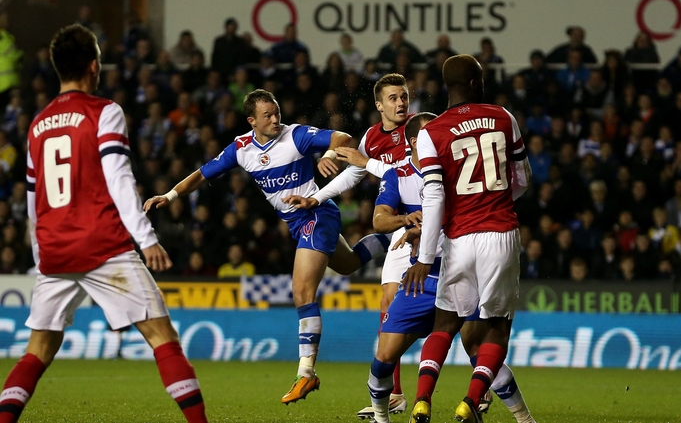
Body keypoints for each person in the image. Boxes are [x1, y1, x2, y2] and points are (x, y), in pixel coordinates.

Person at [0, 24, 208, 423]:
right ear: (94, 66)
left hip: (54, 248)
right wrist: (146, 238)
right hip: (102, 244)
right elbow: (119, 178)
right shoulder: (104, 111)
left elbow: (33, 198)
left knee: (37, 351)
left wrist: (40, 253)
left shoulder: (37, 124)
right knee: (162, 339)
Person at [143, 89, 387, 404]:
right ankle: (394, 235)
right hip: (296, 223)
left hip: (317, 214)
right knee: (350, 263)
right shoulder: (241, 149)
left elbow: (343, 137)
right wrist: (171, 196)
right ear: (251, 121)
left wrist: (327, 154)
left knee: (301, 291)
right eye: (267, 116)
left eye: (276, 112)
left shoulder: (296, 136)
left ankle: (306, 373)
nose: (275, 120)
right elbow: (201, 175)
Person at [361, 113, 535, 423]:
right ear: (416, 142)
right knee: (385, 355)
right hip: (424, 278)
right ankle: (381, 417)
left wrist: (426, 226)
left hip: (459, 269)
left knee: (478, 347)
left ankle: (522, 418)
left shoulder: (457, 168)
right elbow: (379, 221)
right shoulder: (398, 175)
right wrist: (406, 221)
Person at [404, 54, 531, 423]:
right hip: (500, 233)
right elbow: (522, 178)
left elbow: (434, 196)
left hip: (459, 239)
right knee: (496, 327)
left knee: (445, 324)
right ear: (476, 83)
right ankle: (469, 402)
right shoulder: (503, 117)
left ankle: (422, 400)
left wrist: (425, 257)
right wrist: (497, 198)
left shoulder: (430, 132)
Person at [285, 73, 414, 411]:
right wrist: (317, 197)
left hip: (434, 222)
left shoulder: (422, 130)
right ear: (379, 105)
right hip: (403, 226)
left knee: (453, 311)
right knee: (389, 306)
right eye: (393, 98)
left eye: (404, 96)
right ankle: (396, 394)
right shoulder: (372, 136)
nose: (401, 103)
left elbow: (404, 171)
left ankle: (485, 379)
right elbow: (357, 173)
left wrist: (365, 162)